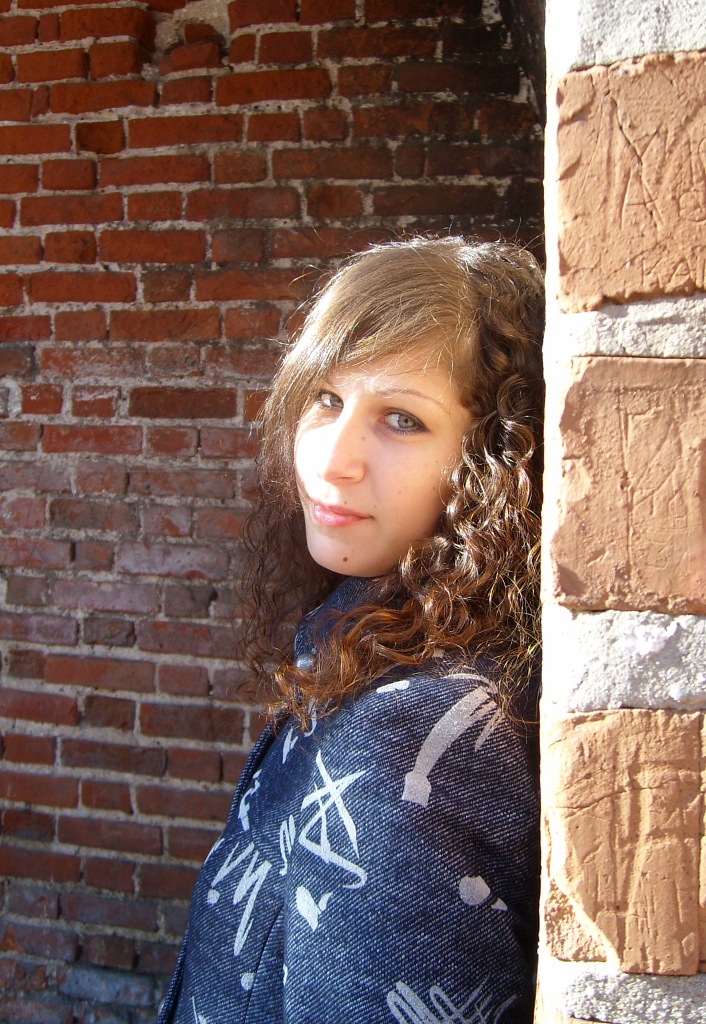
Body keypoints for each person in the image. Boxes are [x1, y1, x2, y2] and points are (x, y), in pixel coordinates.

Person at [157, 235, 544, 1024]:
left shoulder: (411, 731)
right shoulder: (372, 644)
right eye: (326, 398)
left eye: (401, 418)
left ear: (496, 460)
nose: (333, 459)